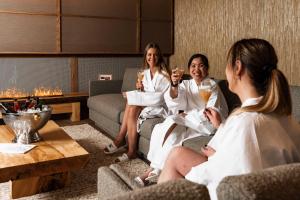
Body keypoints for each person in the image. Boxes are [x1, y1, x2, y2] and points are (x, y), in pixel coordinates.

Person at [157, 38, 300, 200]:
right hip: (267, 187)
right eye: (194, 66)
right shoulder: (287, 119)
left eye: (227, 65)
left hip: (239, 191)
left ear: (237, 67)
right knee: (177, 153)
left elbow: (223, 182)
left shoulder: (245, 122)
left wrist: (212, 160)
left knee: (175, 158)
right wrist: (220, 135)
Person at [134, 54, 228, 186]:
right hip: (190, 121)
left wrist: (188, 116)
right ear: (189, 69)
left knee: (174, 123)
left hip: (207, 124)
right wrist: (174, 84)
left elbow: (211, 112)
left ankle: (152, 171)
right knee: (165, 128)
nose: (197, 69)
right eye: (193, 66)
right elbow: (175, 101)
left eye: (201, 66)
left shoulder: (211, 86)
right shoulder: (187, 83)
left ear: (207, 69)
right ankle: (154, 169)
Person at [104, 42, 170, 162]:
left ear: (159, 56)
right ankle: (123, 141)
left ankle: (126, 145)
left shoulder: (164, 75)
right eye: (149, 54)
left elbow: (159, 98)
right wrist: (140, 89)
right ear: (146, 56)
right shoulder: (144, 73)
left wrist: (133, 95)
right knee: (131, 103)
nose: (152, 58)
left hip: (159, 106)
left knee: (132, 104)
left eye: (155, 55)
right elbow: (145, 92)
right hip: (147, 101)